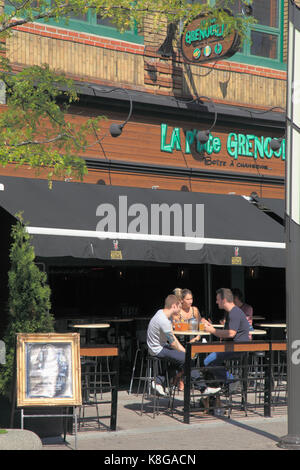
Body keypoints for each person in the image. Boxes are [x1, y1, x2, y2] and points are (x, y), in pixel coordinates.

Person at [147, 294, 220, 396]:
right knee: (187, 359)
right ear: (174, 306)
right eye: (179, 306)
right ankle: (203, 387)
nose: (180, 309)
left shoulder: (160, 313)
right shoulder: (164, 320)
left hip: (158, 346)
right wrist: (186, 352)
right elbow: (173, 343)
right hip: (158, 349)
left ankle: (158, 381)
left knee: (182, 361)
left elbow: (173, 338)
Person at [202, 288, 250, 386]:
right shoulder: (232, 311)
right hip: (234, 346)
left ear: (224, 300)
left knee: (208, 361)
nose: (216, 302)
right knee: (210, 361)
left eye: (217, 299)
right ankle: (225, 383)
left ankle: (231, 381)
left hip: (237, 347)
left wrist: (213, 330)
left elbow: (231, 333)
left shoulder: (234, 312)